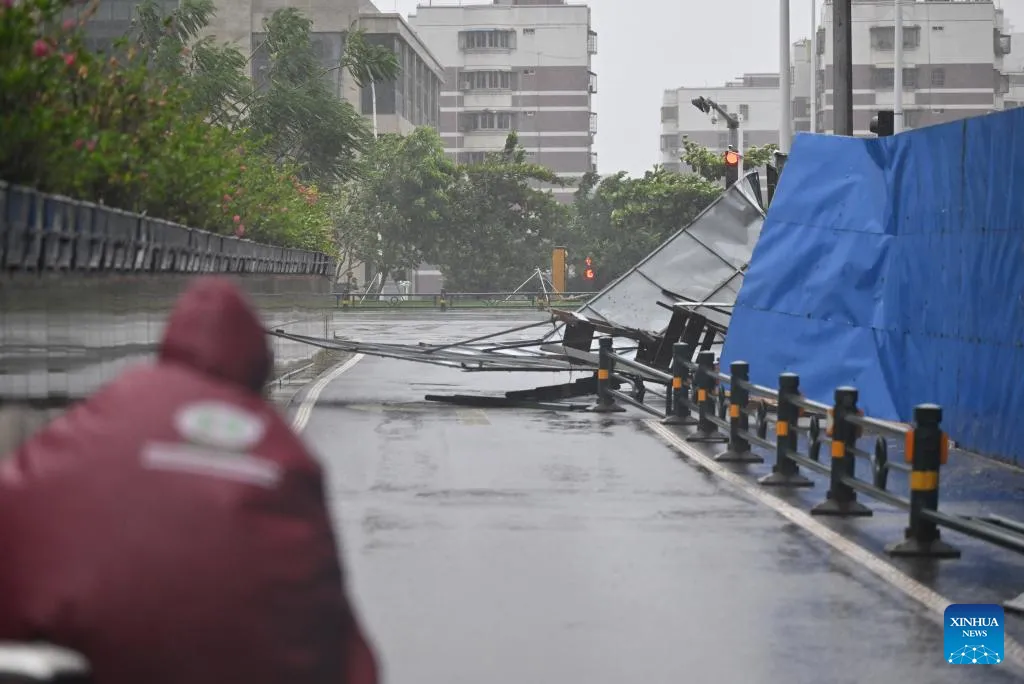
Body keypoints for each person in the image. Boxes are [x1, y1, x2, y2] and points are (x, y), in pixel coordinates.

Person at [0, 276, 379, 684]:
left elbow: (23, 495)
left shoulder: (114, 405)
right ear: (258, 368)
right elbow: (332, 626)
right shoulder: (282, 450)